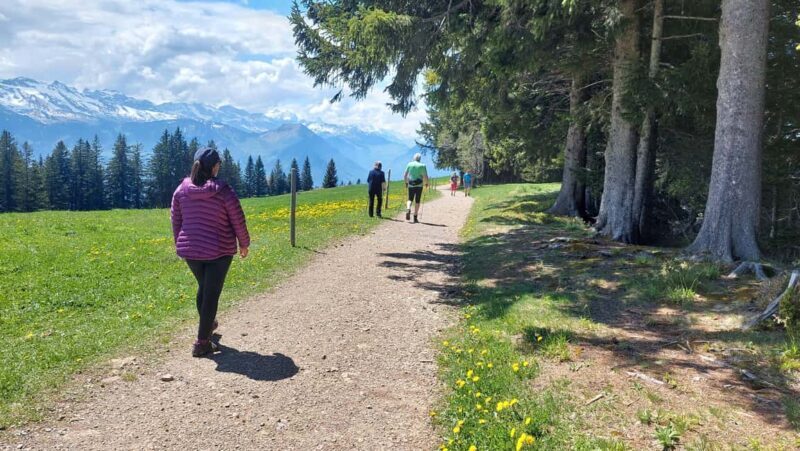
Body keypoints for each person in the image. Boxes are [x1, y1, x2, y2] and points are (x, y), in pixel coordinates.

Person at [171, 147, 250, 358]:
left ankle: (209, 324)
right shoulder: (223, 191)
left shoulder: (181, 190)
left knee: (205, 288)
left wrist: (180, 243)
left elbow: (176, 220)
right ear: (214, 167)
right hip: (219, 251)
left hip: (191, 251)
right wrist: (244, 242)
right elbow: (237, 218)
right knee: (211, 294)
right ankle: (202, 342)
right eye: (219, 164)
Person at [403, 153, 429, 223]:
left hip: (411, 184)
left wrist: (406, 182)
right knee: (417, 200)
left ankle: (408, 208)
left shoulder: (409, 164)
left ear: (414, 158)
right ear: (420, 158)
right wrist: (426, 183)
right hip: (419, 185)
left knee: (410, 199)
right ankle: (415, 217)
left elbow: (405, 175)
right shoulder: (422, 165)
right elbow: (425, 176)